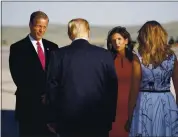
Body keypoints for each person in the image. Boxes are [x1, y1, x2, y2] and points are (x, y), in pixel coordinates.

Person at [46, 18, 118, 137]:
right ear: (88, 32)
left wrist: (52, 119)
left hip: (67, 121)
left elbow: (52, 89)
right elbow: (112, 88)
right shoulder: (105, 55)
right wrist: (110, 118)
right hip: (98, 120)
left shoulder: (57, 55)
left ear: (70, 34)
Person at [9, 11, 58, 137]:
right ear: (30, 25)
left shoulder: (53, 47)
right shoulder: (17, 48)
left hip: (49, 110)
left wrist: (50, 96)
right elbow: (19, 78)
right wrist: (42, 94)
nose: (41, 30)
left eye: (44, 27)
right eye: (38, 26)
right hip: (28, 107)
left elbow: (56, 75)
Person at [127, 20, 178, 136]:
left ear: (143, 36)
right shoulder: (172, 57)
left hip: (144, 104)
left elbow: (133, 92)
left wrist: (130, 117)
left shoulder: (138, 58)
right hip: (167, 103)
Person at [106, 26, 134, 137]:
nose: (116, 43)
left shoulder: (135, 60)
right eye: (113, 40)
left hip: (132, 105)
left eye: (119, 39)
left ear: (126, 40)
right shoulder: (108, 59)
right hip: (113, 106)